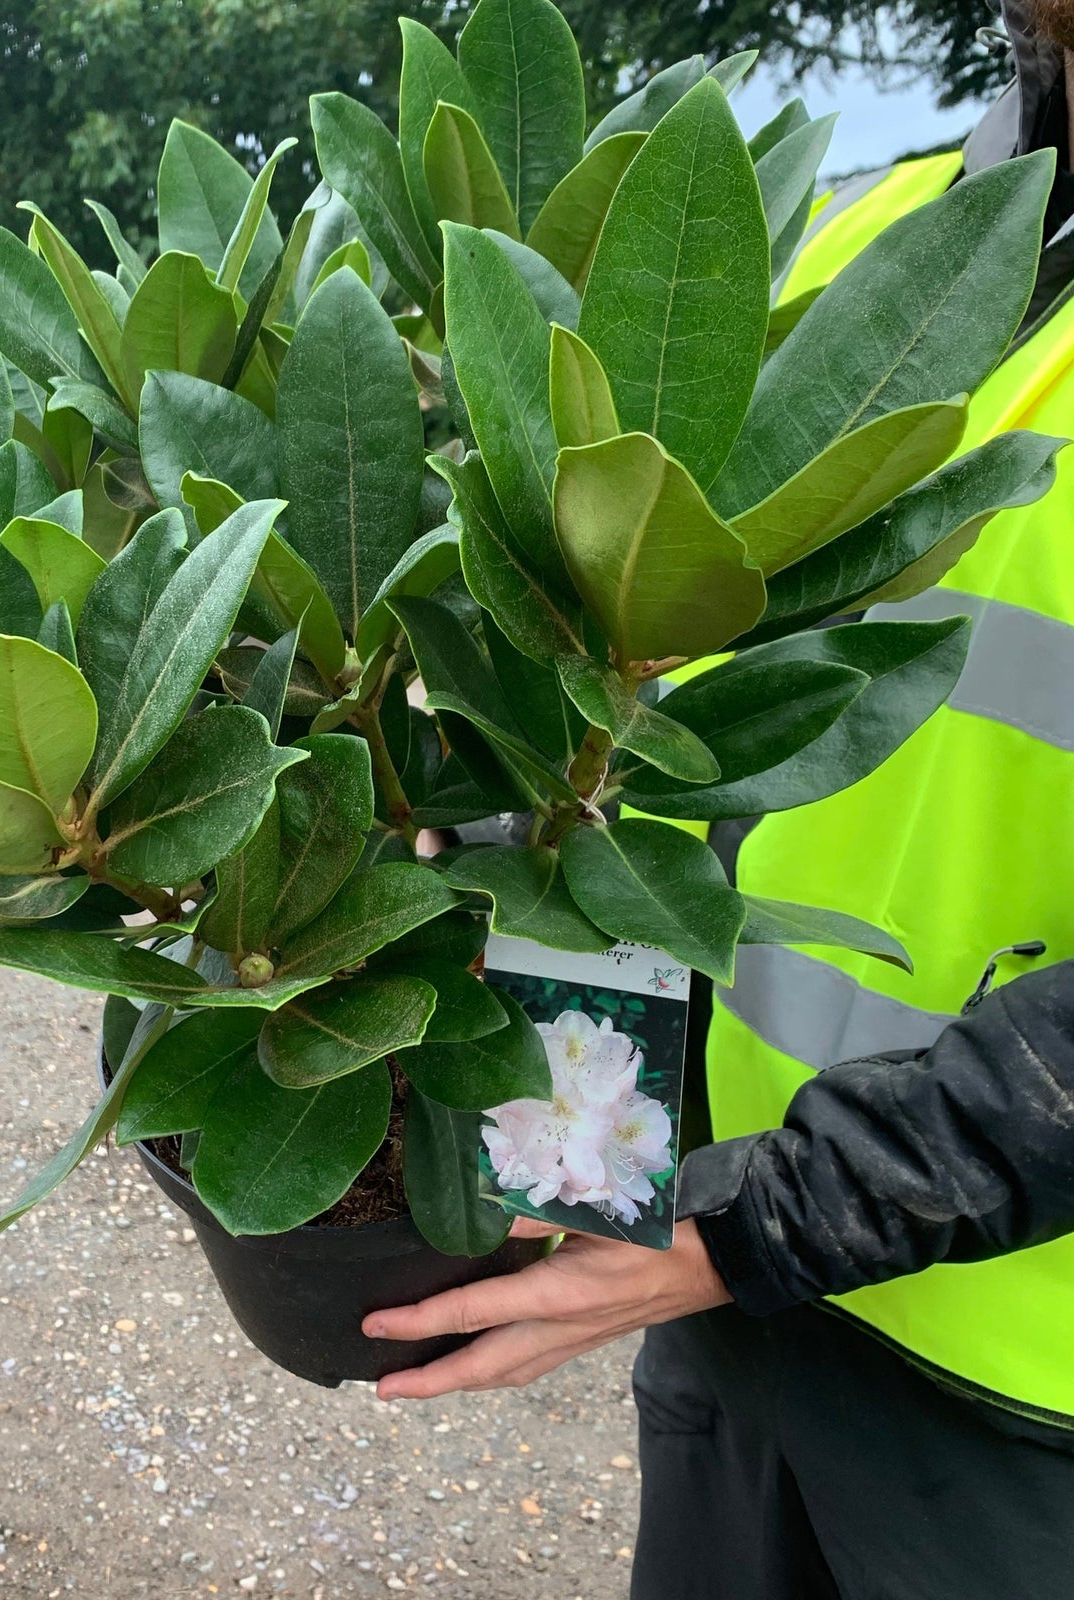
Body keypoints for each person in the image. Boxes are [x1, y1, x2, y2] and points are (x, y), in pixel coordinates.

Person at [363, 5, 1074, 1595]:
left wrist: (744, 1227)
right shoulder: (888, 238)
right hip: (737, 1314)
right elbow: (642, 731)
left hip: (1025, 1411)